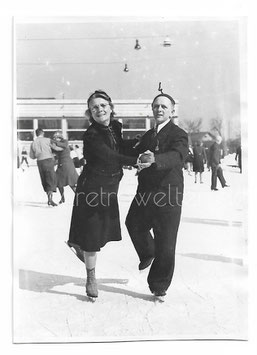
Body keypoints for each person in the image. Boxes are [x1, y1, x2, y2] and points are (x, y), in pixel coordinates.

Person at [67, 90, 140, 300]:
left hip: (110, 186)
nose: (99, 110)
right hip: (92, 188)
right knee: (92, 234)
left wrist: (138, 142)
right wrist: (134, 160)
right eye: (94, 108)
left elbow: (120, 145)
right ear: (90, 113)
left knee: (99, 232)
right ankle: (91, 277)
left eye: (102, 105)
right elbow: (111, 155)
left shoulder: (115, 127)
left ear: (110, 107)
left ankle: (78, 243)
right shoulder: (91, 135)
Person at [125, 93, 188, 300]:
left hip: (168, 193)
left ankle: (159, 285)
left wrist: (156, 159)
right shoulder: (148, 135)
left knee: (166, 241)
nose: (159, 109)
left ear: (172, 111)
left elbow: (178, 155)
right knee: (133, 222)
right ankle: (148, 252)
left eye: (163, 106)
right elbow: (134, 151)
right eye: (155, 106)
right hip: (145, 192)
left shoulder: (179, 134)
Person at [29, 128, 58, 206]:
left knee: (44, 179)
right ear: (43, 133)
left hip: (40, 162)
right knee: (50, 178)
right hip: (48, 160)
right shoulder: (47, 140)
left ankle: (49, 198)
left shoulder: (33, 143)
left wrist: (38, 154)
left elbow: (31, 156)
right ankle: (50, 199)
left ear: (36, 134)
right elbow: (55, 148)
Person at [52, 131, 79, 204]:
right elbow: (54, 152)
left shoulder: (65, 142)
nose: (55, 139)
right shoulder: (56, 146)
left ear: (60, 137)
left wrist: (53, 142)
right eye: (54, 137)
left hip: (67, 165)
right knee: (59, 183)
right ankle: (62, 198)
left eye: (56, 137)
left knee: (71, 183)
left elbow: (62, 145)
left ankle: (79, 198)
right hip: (61, 165)